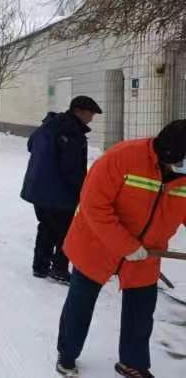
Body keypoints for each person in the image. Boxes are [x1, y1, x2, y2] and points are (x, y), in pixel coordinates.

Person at [54, 120, 186, 378]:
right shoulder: (121, 158)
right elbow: (94, 206)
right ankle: (67, 355)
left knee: (141, 311)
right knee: (80, 304)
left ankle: (132, 363)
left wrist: (137, 249)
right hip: (96, 243)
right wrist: (125, 245)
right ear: (166, 153)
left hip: (147, 252)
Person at [21, 96, 102, 284]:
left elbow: (30, 145)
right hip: (58, 192)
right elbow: (71, 168)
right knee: (65, 231)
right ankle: (59, 269)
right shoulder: (71, 132)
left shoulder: (49, 125)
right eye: (91, 114)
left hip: (37, 188)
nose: (92, 118)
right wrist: (84, 191)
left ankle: (40, 267)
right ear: (79, 111)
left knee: (47, 227)